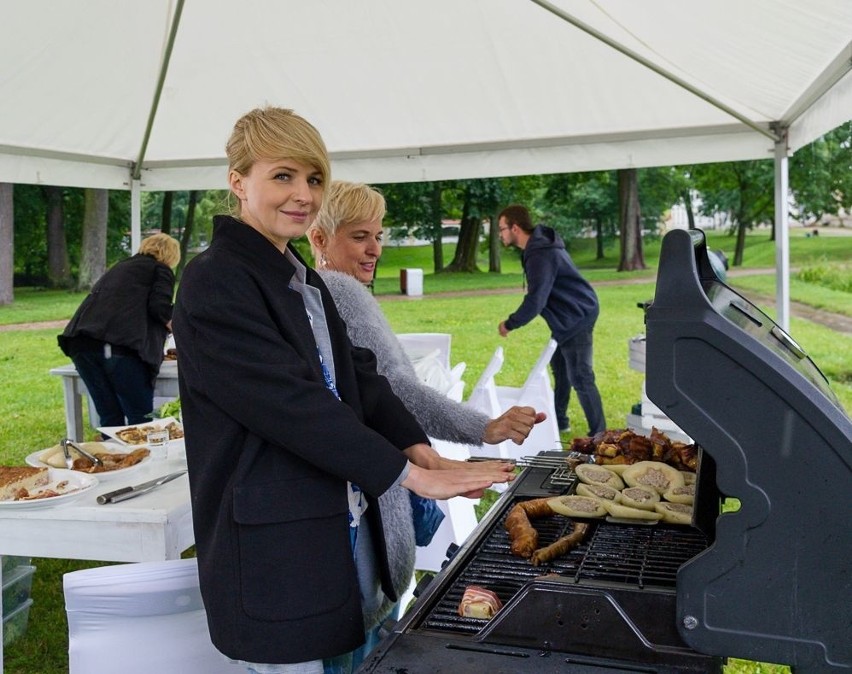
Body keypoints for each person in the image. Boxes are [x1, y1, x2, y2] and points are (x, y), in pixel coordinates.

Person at [171, 106, 514, 674]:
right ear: (238, 182)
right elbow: (291, 405)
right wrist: (411, 475)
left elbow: (358, 375)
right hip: (280, 549)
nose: (303, 194)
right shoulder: (215, 279)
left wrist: (416, 446)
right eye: (283, 176)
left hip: (343, 522)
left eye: (313, 179)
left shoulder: (298, 274)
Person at [307, 180, 546, 448]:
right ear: (319, 238)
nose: (375, 249)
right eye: (360, 237)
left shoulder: (313, 291)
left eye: (378, 236)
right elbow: (394, 386)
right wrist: (483, 428)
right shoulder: (341, 292)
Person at [496, 204, 606, 437]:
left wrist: (510, 323)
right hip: (567, 317)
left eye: (502, 229)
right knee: (560, 367)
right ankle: (560, 420)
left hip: (577, 315)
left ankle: (600, 435)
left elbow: (536, 300)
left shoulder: (541, 253)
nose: (500, 234)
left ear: (515, 228)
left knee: (581, 376)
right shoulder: (537, 249)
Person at [58, 233, 180, 428]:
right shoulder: (160, 269)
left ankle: (111, 456)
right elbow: (160, 308)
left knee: (109, 416)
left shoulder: (121, 267)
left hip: (82, 344)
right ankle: (144, 457)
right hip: (119, 348)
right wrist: (185, 332)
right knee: (141, 418)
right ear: (171, 256)